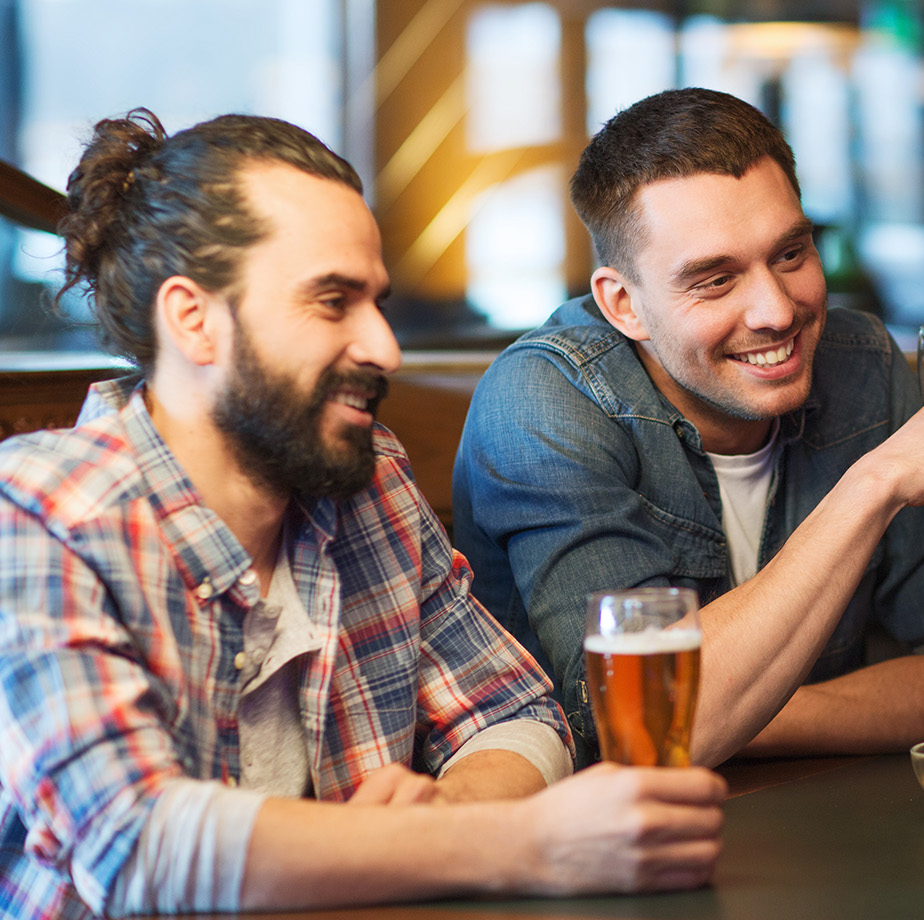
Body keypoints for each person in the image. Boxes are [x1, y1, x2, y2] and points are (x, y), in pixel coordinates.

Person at [0, 110, 725, 919]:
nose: (384, 345)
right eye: (333, 301)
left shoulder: (367, 477)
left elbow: (515, 711)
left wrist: (451, 815)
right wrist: (524, 844)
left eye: (375, 302)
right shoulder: (41, 511)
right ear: (193, 320)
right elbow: (134, 847)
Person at [453, 88, 924, 768]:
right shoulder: (543, 402)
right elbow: (639, 728)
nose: (776, 311)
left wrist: (734, 708)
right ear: (624, 305)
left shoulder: (859, 367)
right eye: (715, 279)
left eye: (790, 255)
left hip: (802, 831)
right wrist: (877, 482)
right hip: (600, 848)